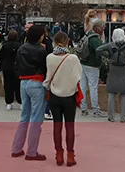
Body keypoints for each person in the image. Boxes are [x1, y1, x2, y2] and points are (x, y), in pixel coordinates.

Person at [43, 31, 82, 167]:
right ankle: (70, 156)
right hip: (69, 96)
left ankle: (58, 154)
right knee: (70, 126)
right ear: (67, 42)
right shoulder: (73, 58)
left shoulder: (49, 58)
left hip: (54, 96)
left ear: (54, 42)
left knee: (57, 125)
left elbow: (47, 77)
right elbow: (78, 77)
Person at [11, 24, 49, 160]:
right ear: (40, 37)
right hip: (37, 82)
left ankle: (16, 148)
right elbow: (46, 68)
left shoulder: (22, 48)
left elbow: (16, 66)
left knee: (24, 116)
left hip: (23, 82)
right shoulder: (41, 51)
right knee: (36, 118)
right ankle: (32, 151)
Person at [96, 28, 125, 122]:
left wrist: (108, 56)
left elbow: (98, 49)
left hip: (113, 70)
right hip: (124, 70)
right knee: (124, 95)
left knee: (111, 94)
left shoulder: (110, 45)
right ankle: (123, 117)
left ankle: (111, 116)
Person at [77, 19, 105, 118]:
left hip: (83, 63)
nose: (103, 29)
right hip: (92, 65)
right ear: (98, 28)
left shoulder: (87, 35)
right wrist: (99, 64)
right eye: (103, 27)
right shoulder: (95, 39)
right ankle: (96, 110)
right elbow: (99, 53)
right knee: (93, 88)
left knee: (82, 86)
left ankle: (83, 108)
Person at [0, 30, 22, 110]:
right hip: (17, 68)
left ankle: (9, 102)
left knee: (8, 85)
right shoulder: (20, 45)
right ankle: (20, 102)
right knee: (18, 85)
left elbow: (0, 56)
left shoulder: (5, 45)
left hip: (6, 67)